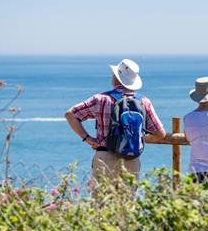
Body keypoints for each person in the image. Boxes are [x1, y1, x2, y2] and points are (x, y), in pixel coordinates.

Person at [65, 59, 166, 195]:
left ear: (115, 78)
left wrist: (87, 138)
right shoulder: (143, 101)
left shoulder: (100, 99)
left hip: (105, 156)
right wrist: (135, 138)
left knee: (100, 205)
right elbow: (160, 134)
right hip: (131, 158)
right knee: (127, 205)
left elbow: (70, 114)